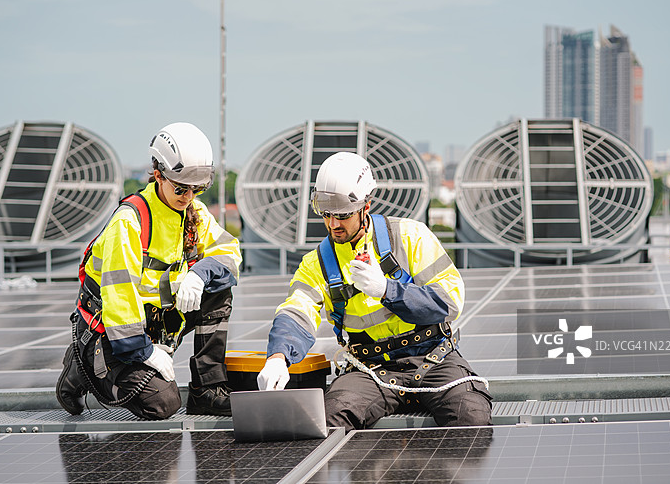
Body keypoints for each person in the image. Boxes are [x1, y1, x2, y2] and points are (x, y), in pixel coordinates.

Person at [257, 151, 492, 430]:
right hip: (370, 370)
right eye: (326, 214)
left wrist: (388, 290)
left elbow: (448, 302)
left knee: (471, 415)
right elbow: (297, 312)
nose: (333, 224)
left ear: (366, 205)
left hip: (434, 360)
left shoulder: (411, 237)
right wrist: (278, 357)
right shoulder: (316, 264)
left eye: (343, 215)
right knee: (330, 419)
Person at [56, 122, 242, 420]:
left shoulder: (194, 212)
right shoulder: (130, 222)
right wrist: (143, 352)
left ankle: (208, 389)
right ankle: (83, 369)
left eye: (198, 188)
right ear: (158, 175)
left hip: (159, 324)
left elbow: (230, 253)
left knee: (219, 290)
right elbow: (120, 298)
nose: (189, 196)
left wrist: (199, 273)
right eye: (181, 188)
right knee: (162, 404)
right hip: (115, 333)